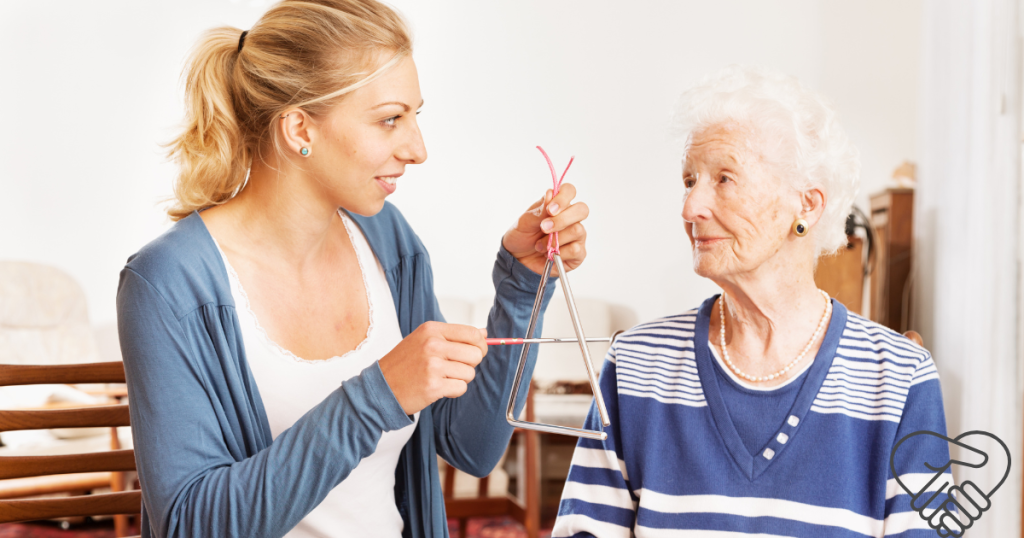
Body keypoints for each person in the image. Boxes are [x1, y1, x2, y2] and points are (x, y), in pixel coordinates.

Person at [116, 1, 590, 537]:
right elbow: (189, 525)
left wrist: (524, 285)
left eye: (415, 116)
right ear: (300, 128)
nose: (418, 149)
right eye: (390, 119)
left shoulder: (389, 241)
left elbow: (471, 448)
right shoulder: (168, 284)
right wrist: (377, 396)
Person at [552, 67, 954, 537]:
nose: (690, 208)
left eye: (724, 178)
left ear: (806, 205)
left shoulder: (901, 378)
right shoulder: (635, 366)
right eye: (689, 180)